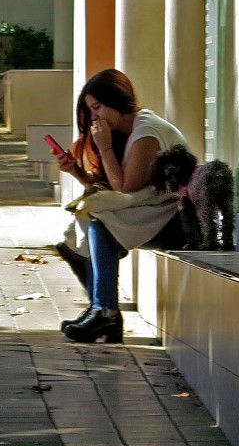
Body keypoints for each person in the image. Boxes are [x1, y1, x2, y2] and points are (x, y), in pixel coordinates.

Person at [51, 69, 190, 344]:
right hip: (152, 212)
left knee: (98, 217)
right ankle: (101, 310)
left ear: (116, 100)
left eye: (98, 107)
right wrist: (76, 172)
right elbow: (116, 187)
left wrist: (104, 148)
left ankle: (105, 313)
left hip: (177, 220)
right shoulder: (132, 131)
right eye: (91, 111)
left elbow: (124, 188)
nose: (95, 117)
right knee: (75, 235)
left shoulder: (146, 134)